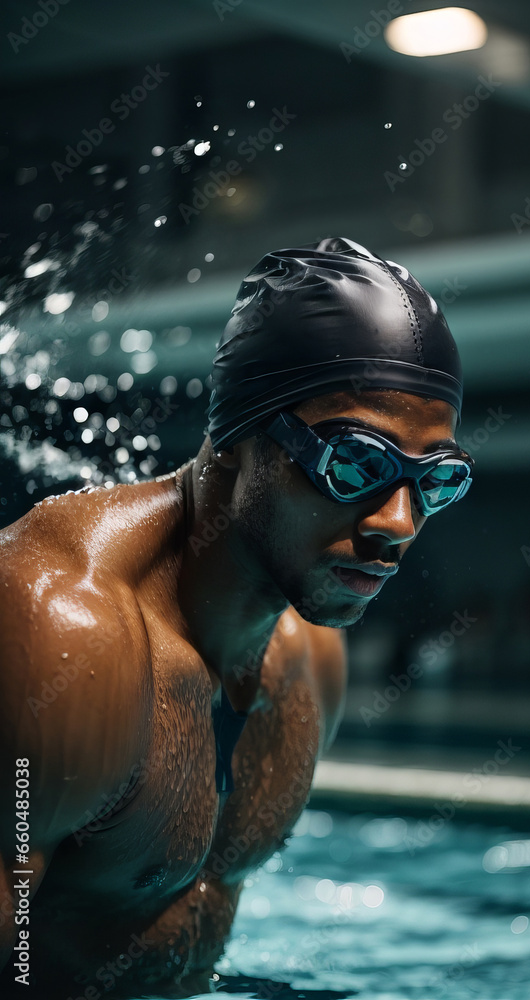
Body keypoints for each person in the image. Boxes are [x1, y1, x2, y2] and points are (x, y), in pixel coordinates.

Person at [0, 236, 473, 998]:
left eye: (436, 482)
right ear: (239, 437)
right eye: (354, 463)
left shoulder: (312, 657)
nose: (397, 521)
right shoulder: (58, 634)